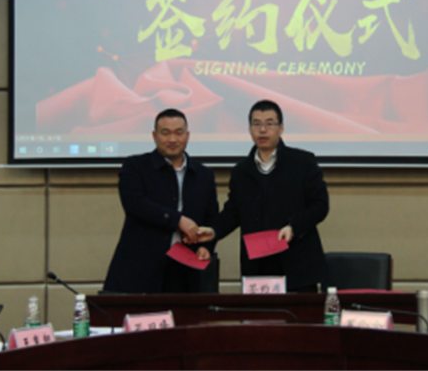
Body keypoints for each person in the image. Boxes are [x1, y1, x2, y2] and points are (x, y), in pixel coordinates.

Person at [193, 100, 329, 292]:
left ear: (281, 128)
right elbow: (233, 212)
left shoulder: (302, 162)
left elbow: (320, 205)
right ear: (249, 129)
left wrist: (293, 227)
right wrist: (214, 232)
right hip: (257, 265)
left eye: (269, 124)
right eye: (257, 124)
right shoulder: (241, 171)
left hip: (297, 264)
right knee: (258, 311)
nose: (262, 130)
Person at [103, 108, 219, 293]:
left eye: (179, 133)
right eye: (166, 133)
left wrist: (206, 246)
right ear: (154, 136)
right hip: (141, 268)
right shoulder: (136, 166)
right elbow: (135, 203)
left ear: (187, 136)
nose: (172, 139)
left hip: (185, 269)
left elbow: (211, 218)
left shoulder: (204, 174)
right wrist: (178, 220)